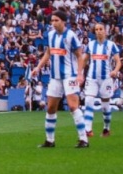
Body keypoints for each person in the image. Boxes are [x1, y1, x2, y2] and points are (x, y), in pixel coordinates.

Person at [32, 8, 88, 148]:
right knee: (51, 108)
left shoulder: (71, 36)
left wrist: (80, 74)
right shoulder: (50, 35)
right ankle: (49, 140)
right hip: (55, 77)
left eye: (56, 20)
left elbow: (80, 56)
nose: (53, 23)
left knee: (73, 106)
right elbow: (48, 53)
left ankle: (84, 139)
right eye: (52, 20)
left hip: (70, 75)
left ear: (64, 22)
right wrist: (38, 67)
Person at [83, 23, 122, 138]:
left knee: (105, 106)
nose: (98, 31)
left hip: (106, 79)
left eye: (101, 29)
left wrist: (115, 70)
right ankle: (88, 129)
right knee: (88, 100)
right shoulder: (90, 45)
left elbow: (118, 61)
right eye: (96, 29)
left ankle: (106, 128)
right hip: (92, 78)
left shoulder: (111, 45)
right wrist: (79, 72)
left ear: (105, 31)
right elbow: (84, 60)